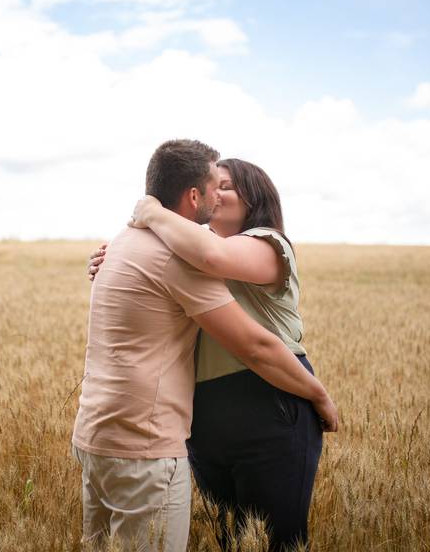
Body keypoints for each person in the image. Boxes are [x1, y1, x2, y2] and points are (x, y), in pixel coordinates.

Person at [72, 140, 337, 552]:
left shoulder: (267, 243)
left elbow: (216, 266)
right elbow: (185, 260)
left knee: (276, 542)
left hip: (274, 398)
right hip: (208, 418)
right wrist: (123, 255)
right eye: (214, 184)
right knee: (233, 540)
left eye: (226, 185)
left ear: (255, 197)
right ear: (195, 195)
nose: (217, 192)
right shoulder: (182, 251)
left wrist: (152, 213)